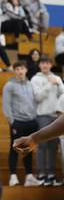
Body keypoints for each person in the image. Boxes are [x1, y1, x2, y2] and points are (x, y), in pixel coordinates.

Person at [2, 61, 41, 187]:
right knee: (15, 148)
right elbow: (6, 105)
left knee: (27, 148)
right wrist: (12, 121)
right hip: (17, 122)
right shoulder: (9, 85)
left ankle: (29, 176)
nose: (20, 71)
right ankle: (13, 176)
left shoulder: (30, 84)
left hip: (31, 121)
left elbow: (34, 102)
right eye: (17, 69)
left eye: (22, 68)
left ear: (26, 70)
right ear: (14, 71)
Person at [30, 55, 63, 185]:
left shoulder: (57, 78)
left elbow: (63, 94)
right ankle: (41, 173)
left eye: (47, 63)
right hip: (42, 115)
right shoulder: (35, 79)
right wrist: (49, 84)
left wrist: (59, 84)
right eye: (42, 63)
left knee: (54, 147)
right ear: (39, 65)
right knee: (42, 145)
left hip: (55, 116)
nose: (45, 65)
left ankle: (51, 174)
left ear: (51, 65)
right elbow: (37, 98)